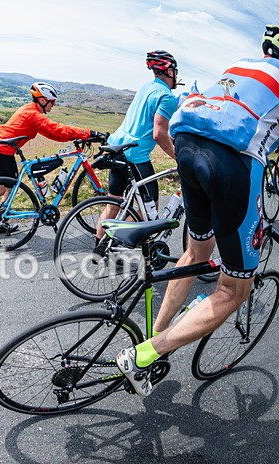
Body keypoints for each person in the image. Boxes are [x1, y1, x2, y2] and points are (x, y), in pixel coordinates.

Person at [116, 26, 279, 397]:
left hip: (188, 145)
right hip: (231, 162)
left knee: (195, 251)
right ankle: (145, 354)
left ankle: (158, 337)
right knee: (233, 289)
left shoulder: (243, 65)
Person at [0, 82, 107, 229]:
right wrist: (89, 133)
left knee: (2, 189)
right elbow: (57, 130)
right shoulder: (34, 115)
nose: (53, 105)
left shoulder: (29, 109)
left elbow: (53, 134)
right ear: (42, 100)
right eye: (52, 101)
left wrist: (78, 136)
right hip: (3, 150)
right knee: (9, 190)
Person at [95, 50, 180, 242]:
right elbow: (159, 134)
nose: (176, 75)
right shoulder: (167, 97)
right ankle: (124, 243)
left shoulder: (146, 87)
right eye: (175, 70)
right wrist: (178, 156)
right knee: (150, 211)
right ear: (169, 71)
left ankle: (99, 248)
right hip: (135, 155)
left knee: (113, 204)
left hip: (117, 147)